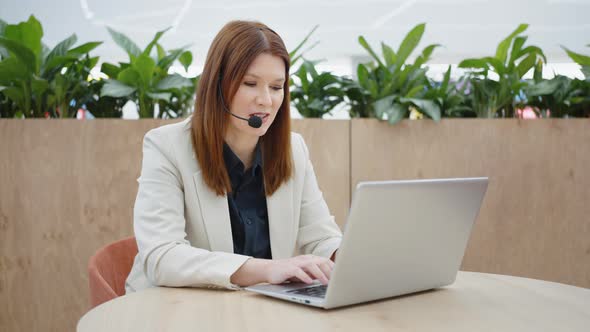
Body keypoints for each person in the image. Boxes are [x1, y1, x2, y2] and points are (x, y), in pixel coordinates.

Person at [125, 20, 342, 293]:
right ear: (218, 86)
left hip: (259, 312)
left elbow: (321, 236)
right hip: (176, 309)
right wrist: (266, 269)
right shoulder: (167, 146)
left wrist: (350, 259)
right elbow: (163, 256)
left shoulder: (293, 148)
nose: (266, 100)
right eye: (250, 83)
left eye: (277, 87)